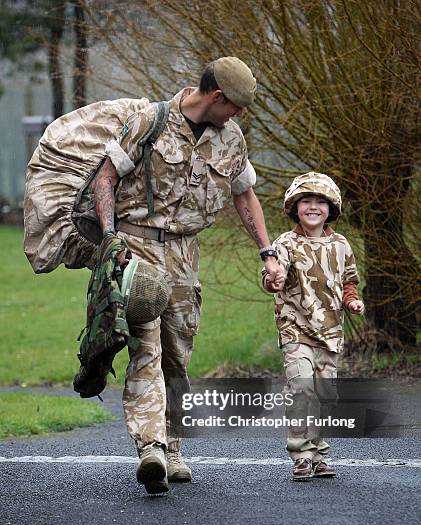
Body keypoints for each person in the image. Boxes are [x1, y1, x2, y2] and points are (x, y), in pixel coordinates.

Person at [93, 57, 283, 494]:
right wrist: (109, 240)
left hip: (184, 254)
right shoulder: (149, 121)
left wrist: (267, 252)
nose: (237, 116)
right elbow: (105, 178)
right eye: (234, 107)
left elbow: (245, 197)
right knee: (145, 348)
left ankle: (174, 447)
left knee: (177, 354)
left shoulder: (230, 139)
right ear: (216, 97)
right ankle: (151, 448)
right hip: (136, 247)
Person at [262, 172, 365, 481]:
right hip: (296, 328)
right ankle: (301, 454)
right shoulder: (286, 243)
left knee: (325, 395)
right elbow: (271, 276)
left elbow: (349, 281)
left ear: (331, 209)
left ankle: (318, 452)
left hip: (330, 333)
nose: (313, 207)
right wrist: (273, 279)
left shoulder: (341, 245)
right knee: (301, 388)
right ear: (295, 206)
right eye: (306, 201)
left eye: (320, 202)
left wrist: (352, 302)